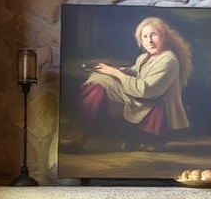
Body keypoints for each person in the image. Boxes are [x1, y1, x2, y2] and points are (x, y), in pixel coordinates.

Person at [78, 15, 192, 148]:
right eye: (145, 37)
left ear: (163, 37)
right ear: (141, 41)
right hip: (140, 99)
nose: (149, 41)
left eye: (153, 35)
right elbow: (136, 71)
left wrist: (116, 73)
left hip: (152, 106)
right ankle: (80, 134)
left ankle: (83, 134)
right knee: (98, 85)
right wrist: (113, 70)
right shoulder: (144, 57)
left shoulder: (169, 60)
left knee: (101, 87)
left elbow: (145, 89)